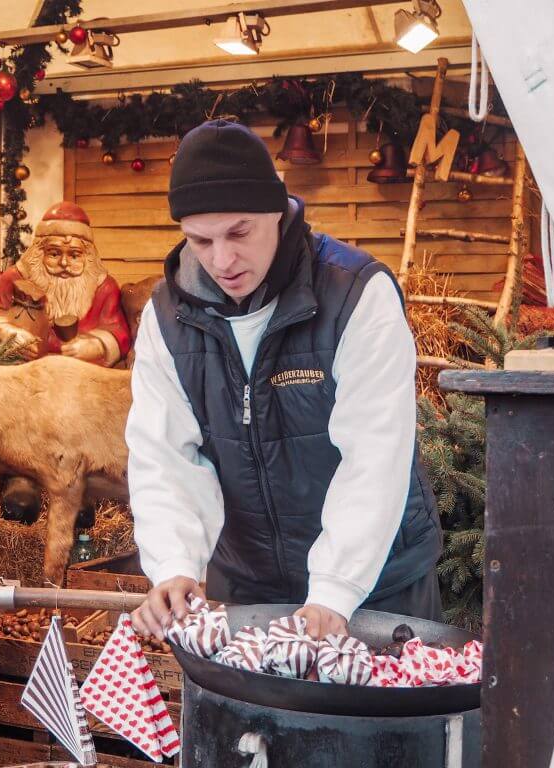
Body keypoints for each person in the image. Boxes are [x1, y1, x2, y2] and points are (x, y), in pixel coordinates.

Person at [126, 119, 442, 641]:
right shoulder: (166, 316)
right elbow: (164, 453)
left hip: (376, 585)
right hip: (249, 587)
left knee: (376, 723)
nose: (222, 260)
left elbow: (375, 453)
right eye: (200, 240)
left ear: (277, 210)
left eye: (239, 233)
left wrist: (335, 589)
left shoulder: (356, 294)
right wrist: (174, 563)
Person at [0, 201, 131, 366]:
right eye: (54, 254)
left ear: (87, 256)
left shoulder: (104, 287)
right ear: (39, 253)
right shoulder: (16, 278)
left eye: (74, 255)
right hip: (24, 371)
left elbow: (119, 330)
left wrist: (98, 345)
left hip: (81, 376)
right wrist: (4, 330)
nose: (64, 263)